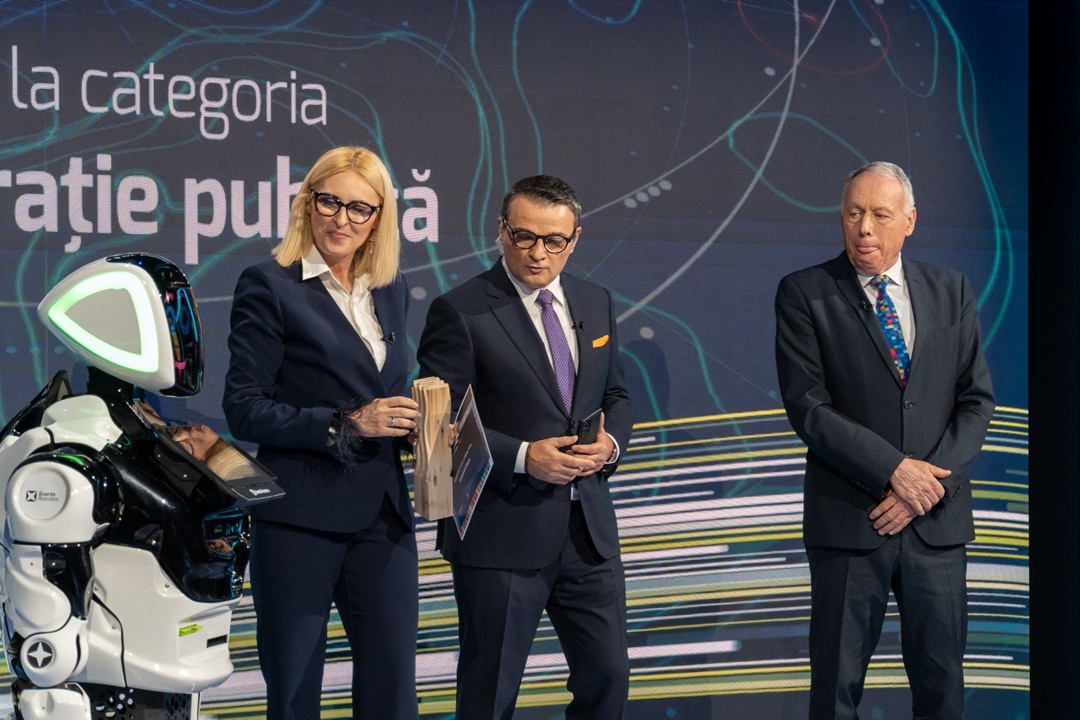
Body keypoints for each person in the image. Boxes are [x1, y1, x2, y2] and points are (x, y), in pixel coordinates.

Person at [774, 161, 995, 719]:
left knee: (943, 692)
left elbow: (975, 401)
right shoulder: (805, 293)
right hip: (852, 520)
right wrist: (895, 471)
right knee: (835, 691)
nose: (864, 228)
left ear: (910, 221)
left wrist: (926, 486)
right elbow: (809, 407)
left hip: (936, 525)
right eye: (853, 213)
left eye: (879, 214)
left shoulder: (951, 290)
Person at [417, 175, 633, 719]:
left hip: (588, 533)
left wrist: (609, 445)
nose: (538, 253)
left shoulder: (596, 301)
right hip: (501, 533)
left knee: (609, 678)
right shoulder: (459, 310)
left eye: (554, 240)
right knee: (490, 695)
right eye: (524, 236)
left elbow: (615, 394)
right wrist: (522, 457)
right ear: (501, 230)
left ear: (575, 239)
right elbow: (440, 425)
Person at [222, 146, 421, 720]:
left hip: (382, 516)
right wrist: (349, 423)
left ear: (378, 219)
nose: (342, 219)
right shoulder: (269, 285)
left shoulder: (389, 289)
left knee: (393, 692)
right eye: (330, 201)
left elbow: (382, 389)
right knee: (294, 692)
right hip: (299, 517)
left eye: (360, 208)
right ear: (307, 203)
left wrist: (414, 428)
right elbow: (244, 408)